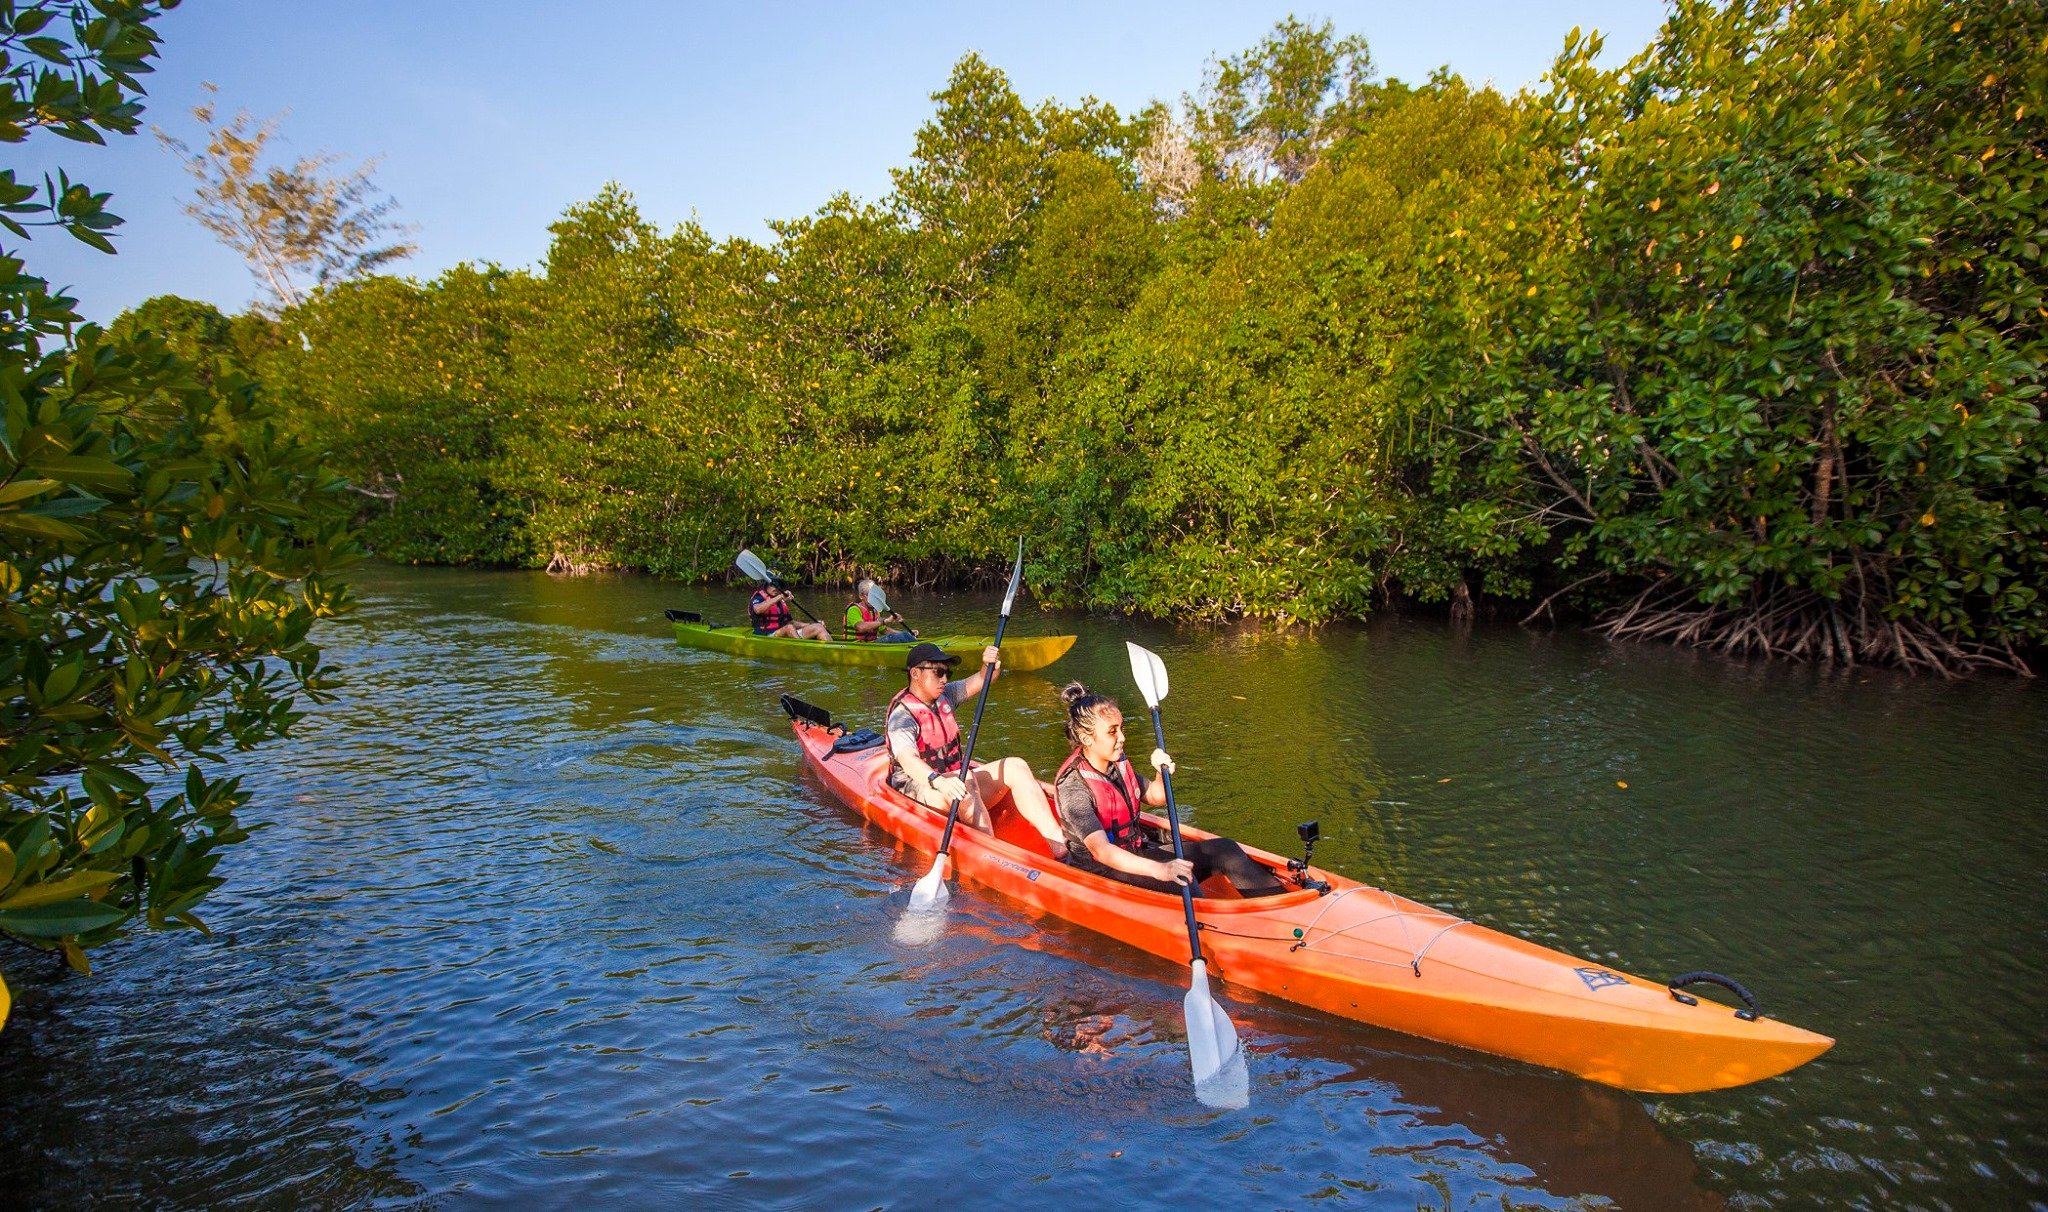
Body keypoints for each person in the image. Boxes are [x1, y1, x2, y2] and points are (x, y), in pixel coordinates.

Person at [1052, 681, 1287, 898]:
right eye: (1112, 731)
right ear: (1086, 738)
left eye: (1121, 728)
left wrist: (1160, 773)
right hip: (1103, 872)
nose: (1122, 737)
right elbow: (1102, 851)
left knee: (1225, 849)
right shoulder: (1074, 787)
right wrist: (1161, 870)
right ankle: (1213, 924)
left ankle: (1278, 906)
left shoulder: (1116, 764)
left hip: (1136, 852)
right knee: (1183, 879)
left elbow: (1156, 796)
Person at [887, 642, 1067, 859]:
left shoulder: (946, 695)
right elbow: (907, 759)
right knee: (965, 783)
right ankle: (991, 855)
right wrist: (939, 781)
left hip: (954, 781)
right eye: (938, 672)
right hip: (919, 788)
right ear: (915, 673)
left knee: (1016, 766)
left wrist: (990, 665)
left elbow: (983, 678)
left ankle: (1060, 847)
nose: (944, 679)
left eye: (947, 673)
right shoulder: (902, 716)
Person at [750, 583, 830, 641]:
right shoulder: (759, 597)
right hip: (766, 636)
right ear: (766, 585)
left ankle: (831, 649)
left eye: (778, 585)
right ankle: (803, 650)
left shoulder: (780, 601)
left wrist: (810, 624)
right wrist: (780, 597)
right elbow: (757, 609)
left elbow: (791, 622)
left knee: (818, 627)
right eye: (773, 585)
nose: (776, 588)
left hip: (786, 634)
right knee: (789, 628)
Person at [844, 578, 915, 643]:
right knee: (898, 637)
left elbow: (884, 630)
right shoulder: (853, 609)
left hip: (871, 643)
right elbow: (861, 627)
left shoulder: (875, 611)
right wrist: (885, 621)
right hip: (856, 643)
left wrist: (906, 634)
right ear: (861, 596)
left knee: (904, 635)